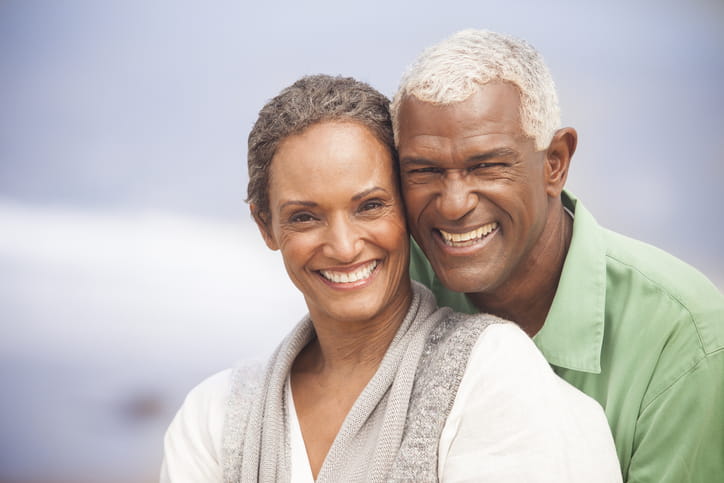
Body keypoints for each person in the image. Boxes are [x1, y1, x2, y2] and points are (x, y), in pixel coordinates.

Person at [160, 74, 621, 482]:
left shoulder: (491, 371)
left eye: (370, 206)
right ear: (266, 227)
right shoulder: (215, 416)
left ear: (405, 203)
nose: (343, 246)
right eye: (304, 217)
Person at [391, 29, 724, 483]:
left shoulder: (684, 337)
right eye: (424, 171)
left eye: (486, 165)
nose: (452, 204)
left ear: (555, 163)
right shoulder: (392, 279)